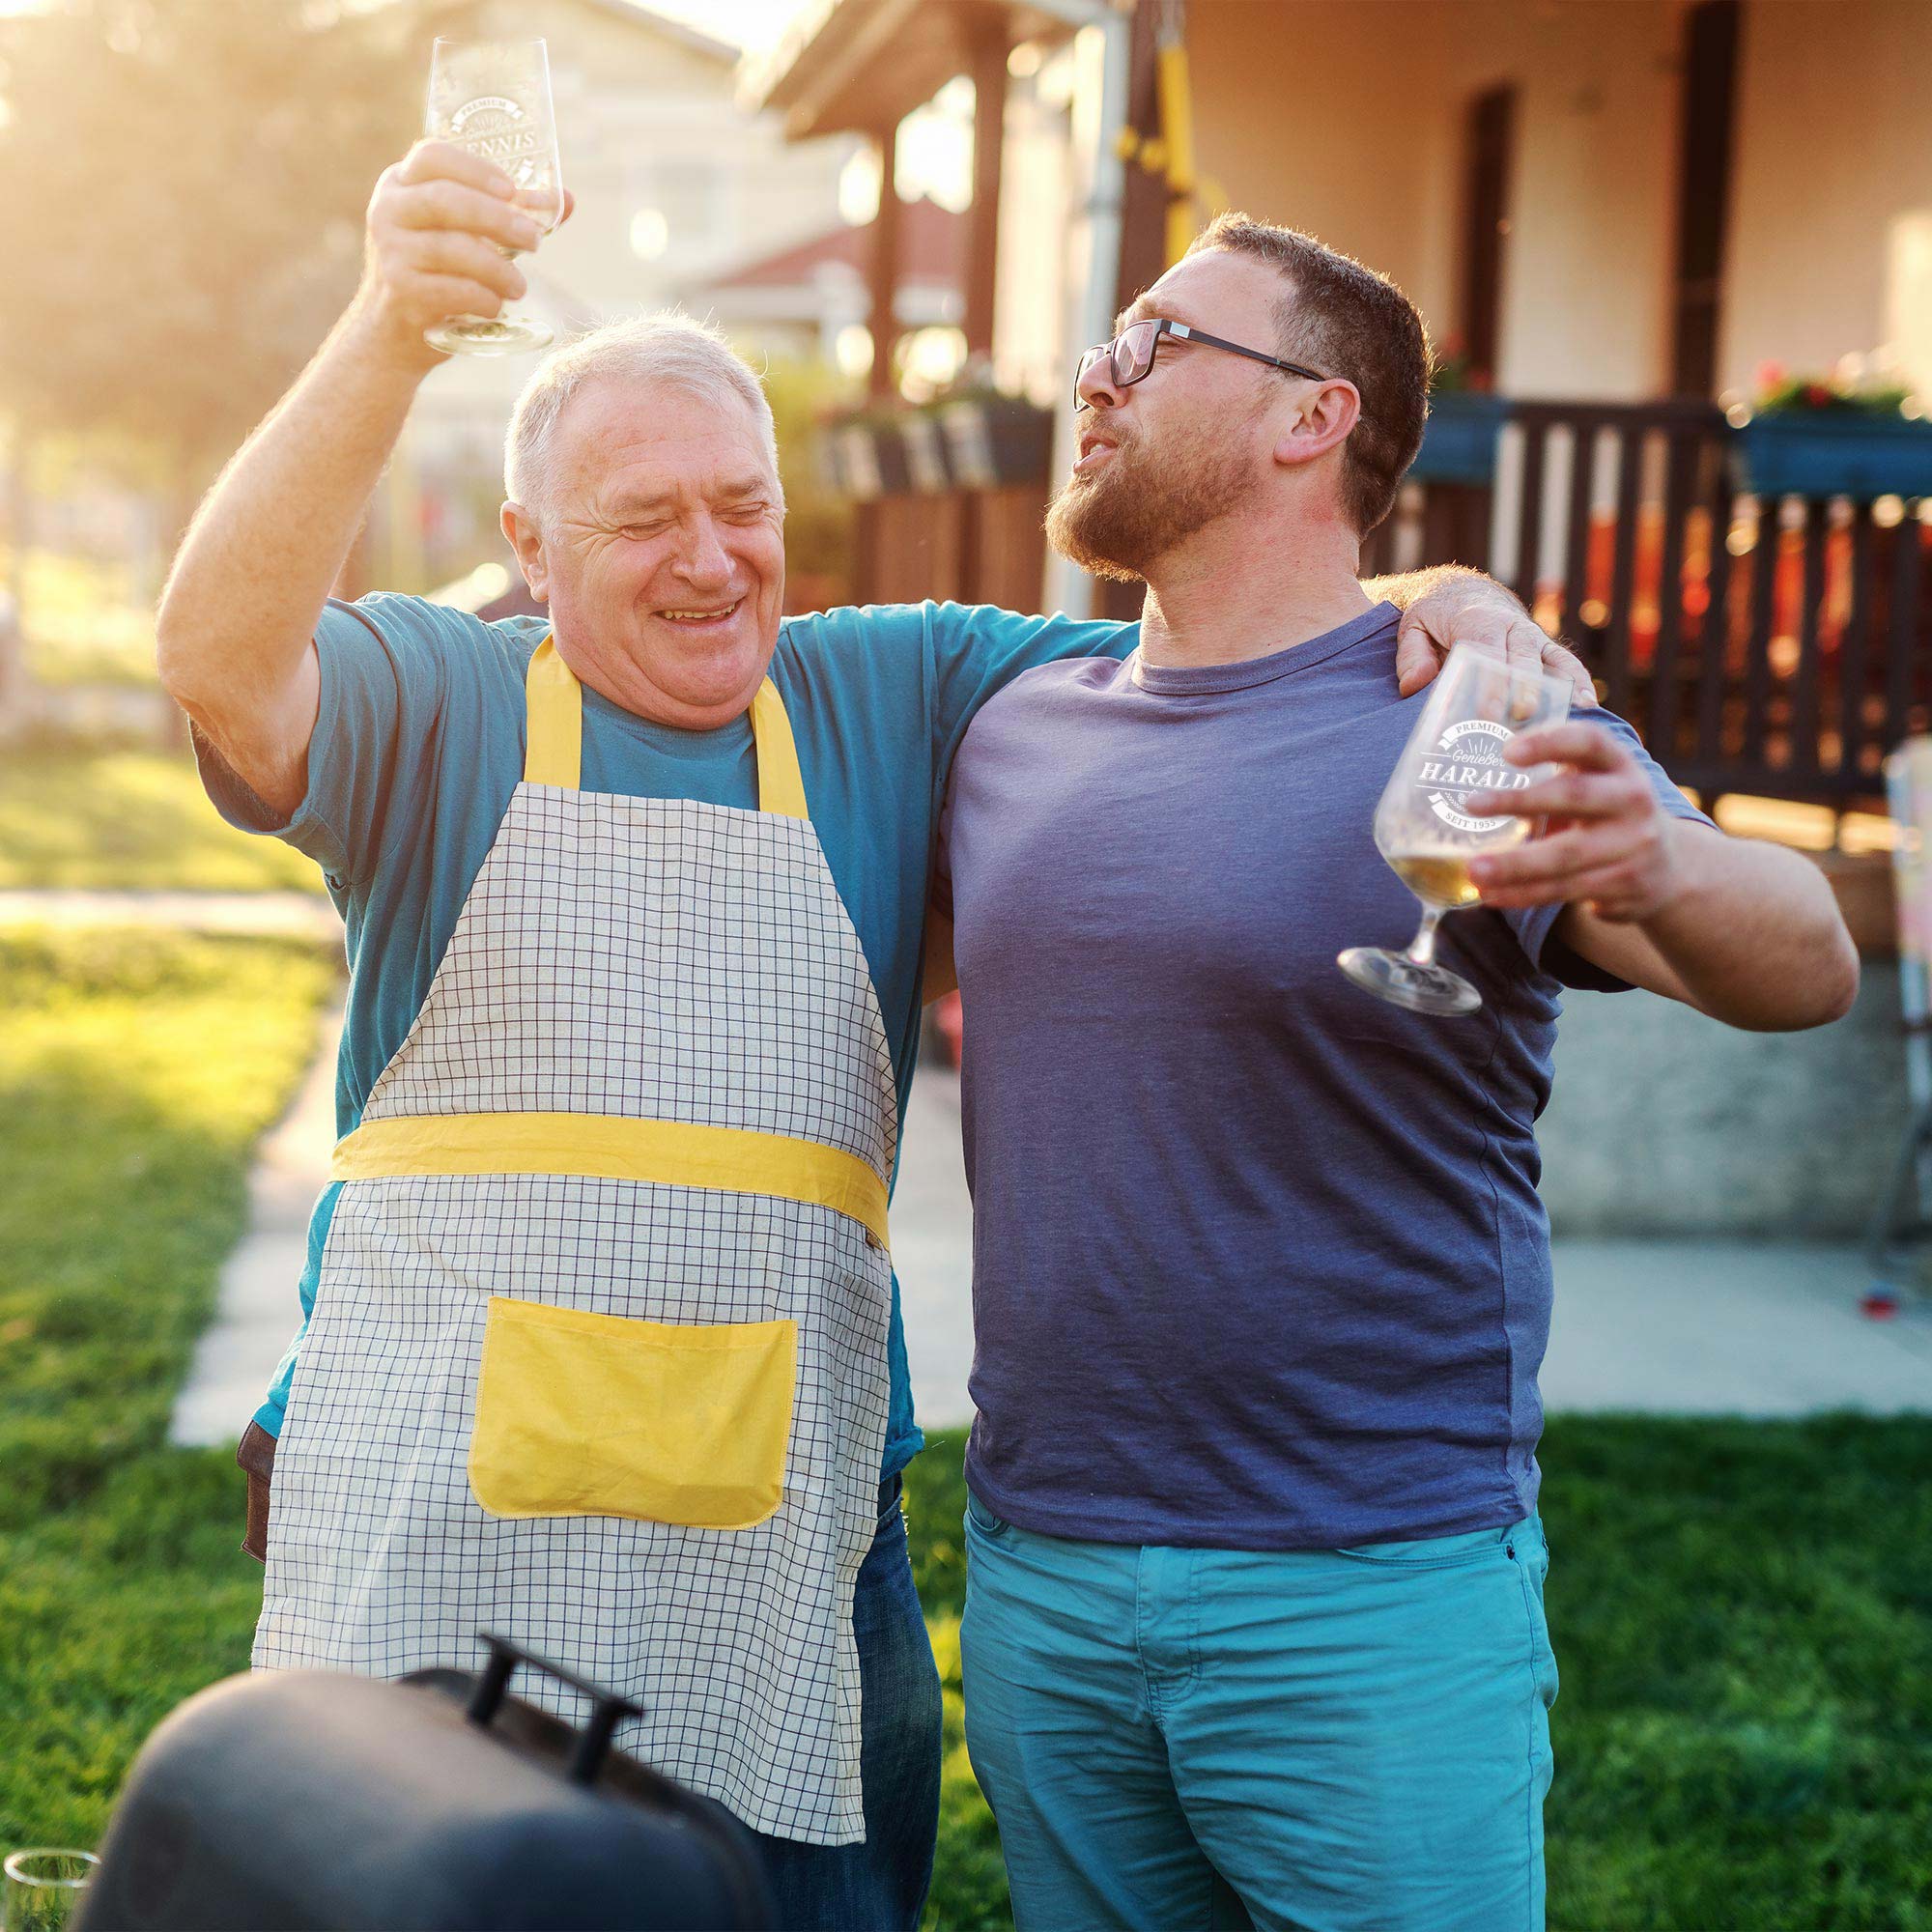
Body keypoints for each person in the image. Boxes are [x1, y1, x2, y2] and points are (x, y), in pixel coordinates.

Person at [155, 145, 1585, 1929]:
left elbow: (1233, 613)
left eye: (741, 506)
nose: (708, 561)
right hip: (435, 1526)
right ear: (526, 552)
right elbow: (219, 657)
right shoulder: (436, 706)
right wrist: (389, 324)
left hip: (783, 1545)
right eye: (638, 519)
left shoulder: (898, 688)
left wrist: (1444, 609)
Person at [932, 213, 1860, 1932]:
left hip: (1368, 1594)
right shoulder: (1011, 712)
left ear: (1310, 417)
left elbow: (1810, 961)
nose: (1096, 370)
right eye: (1109, 337)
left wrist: (1653, 865)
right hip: (1041, 1572)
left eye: (1157, 340)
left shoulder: (1479, 713)